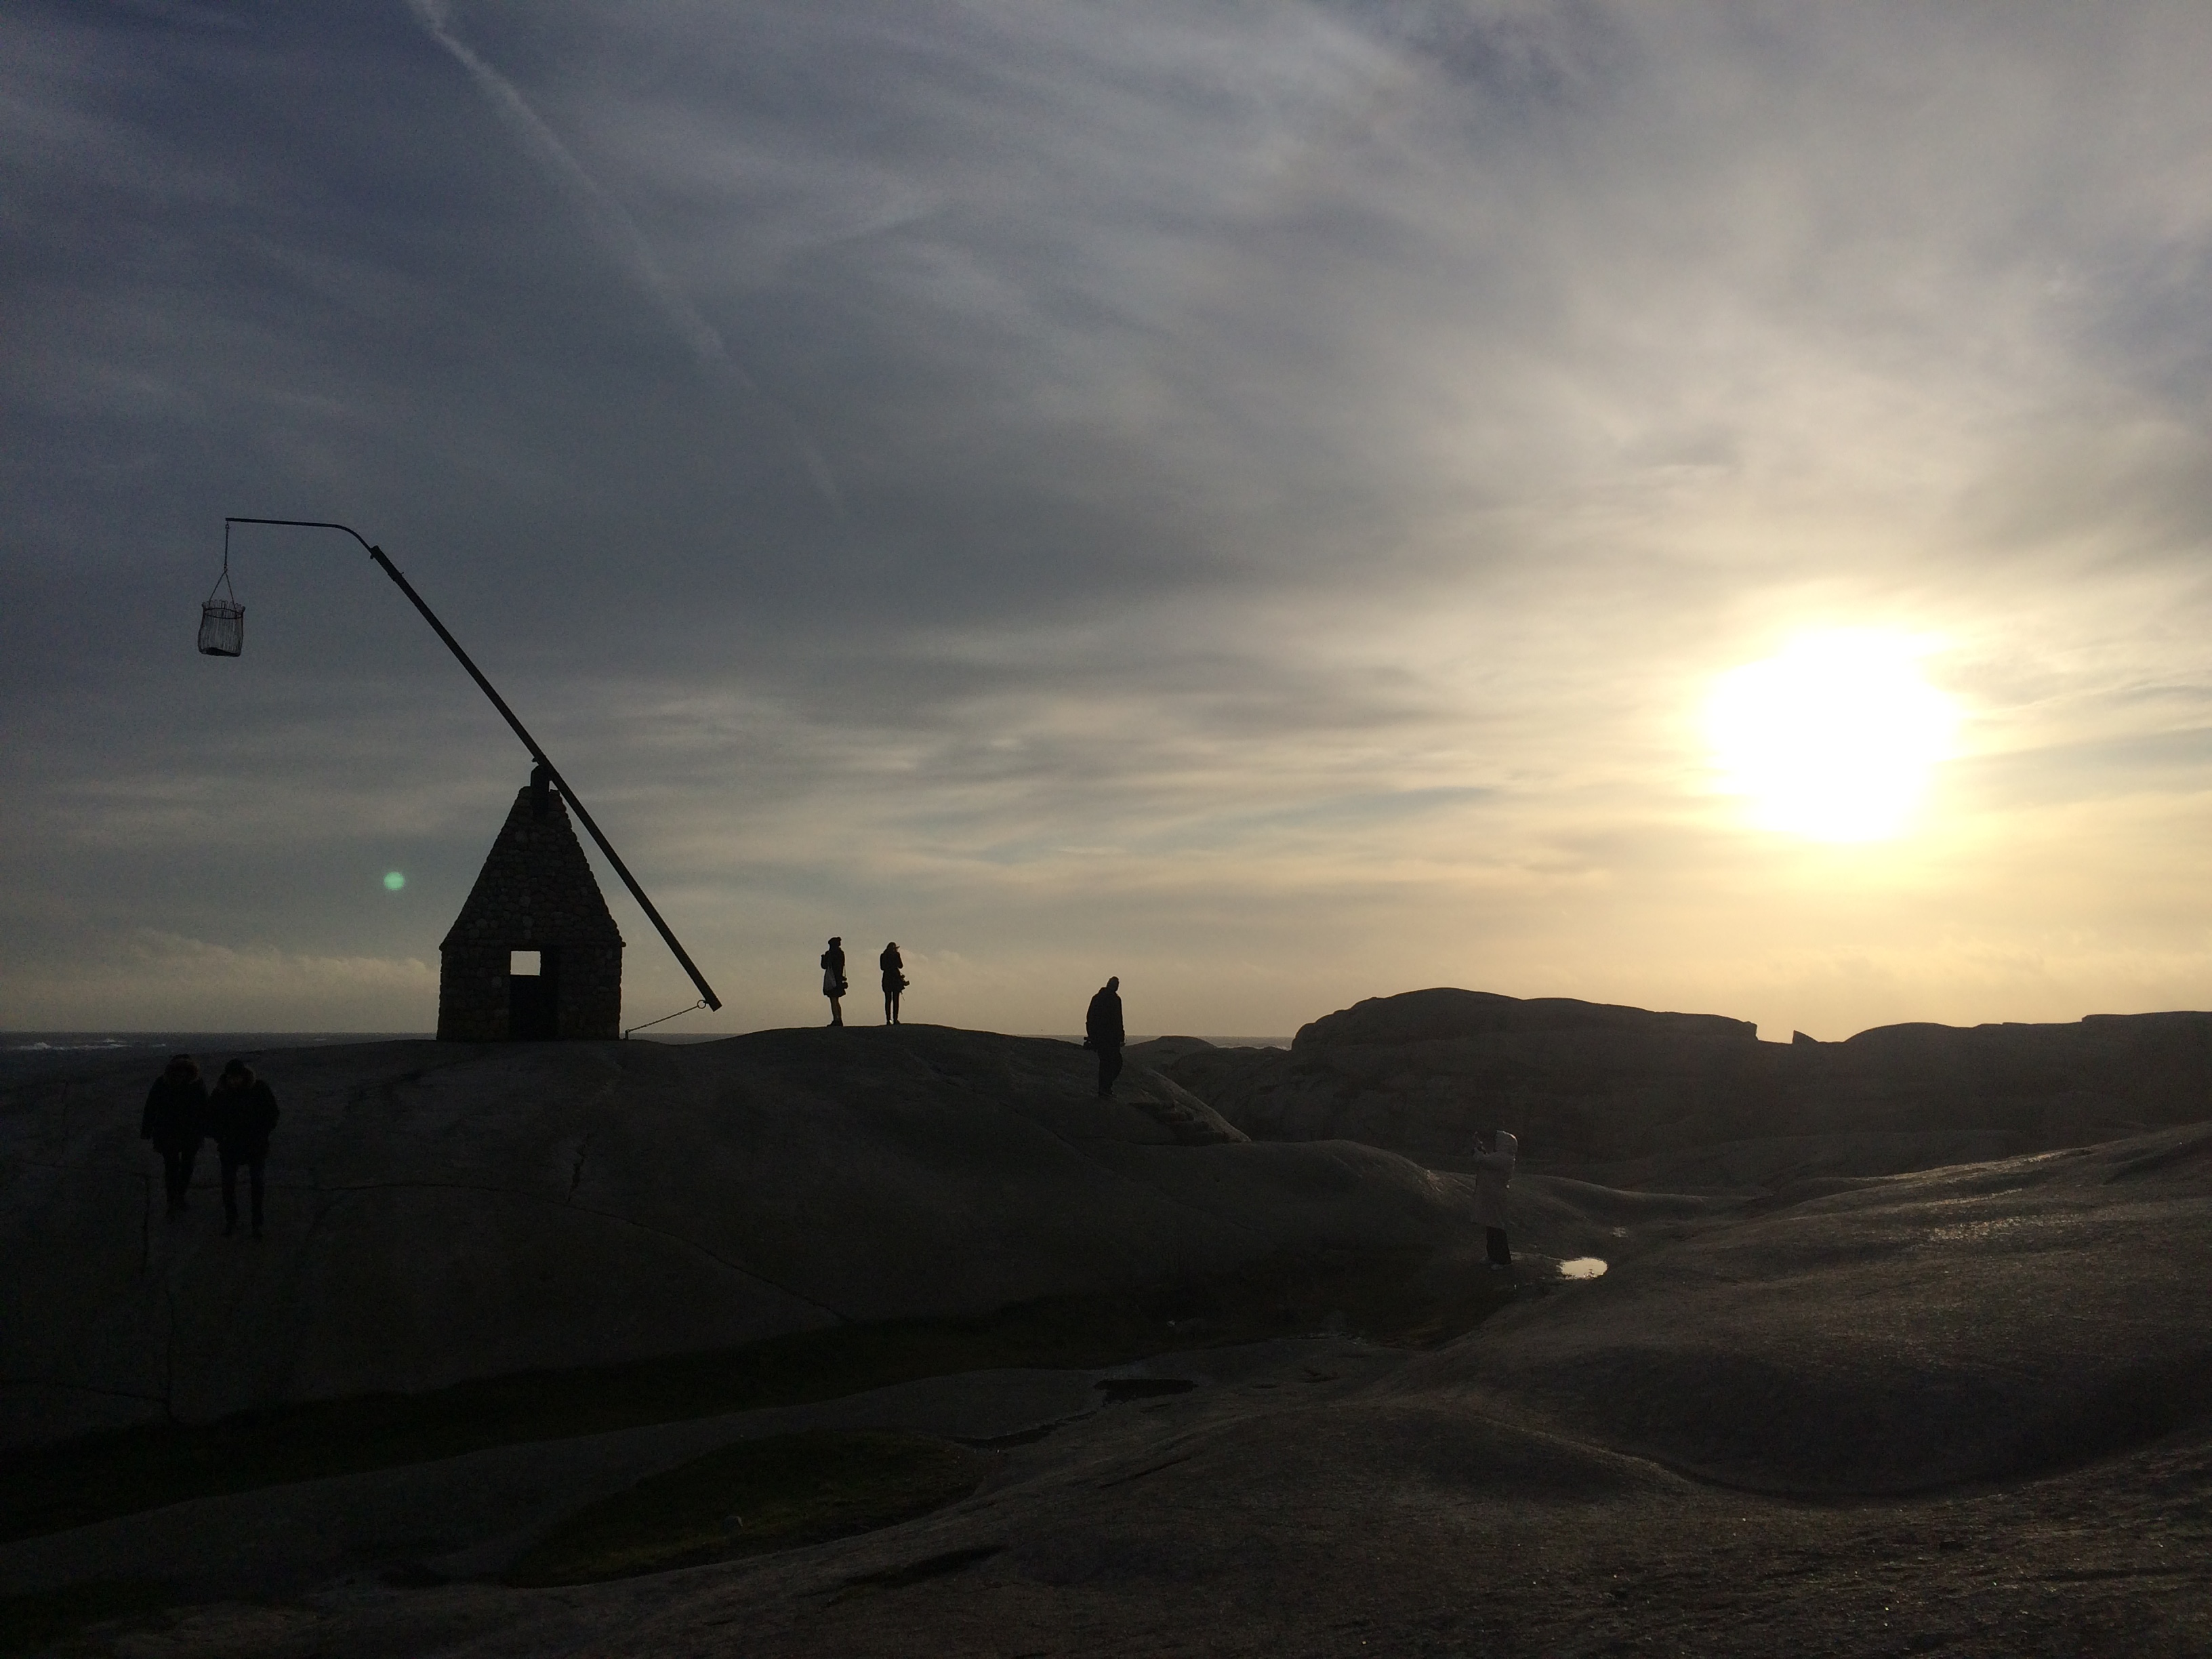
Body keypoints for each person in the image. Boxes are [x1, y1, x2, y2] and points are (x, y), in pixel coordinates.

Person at [206, 1059, 280, 1239]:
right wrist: (219, 1136)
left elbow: (272, 1113)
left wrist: (262, 1133)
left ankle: (257, 1224)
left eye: (237, 1077)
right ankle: (231, 1221)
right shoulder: (221, 1092)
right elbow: (209, 1116)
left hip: (256, 1146)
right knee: (228, 1186)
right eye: (231, 1078)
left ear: (243, 1075)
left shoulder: (259, 1089)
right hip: (230, 1147)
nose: (234, 1081)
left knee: (257, 1184)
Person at [141, 1054, 207, 1216]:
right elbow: (206, 1108)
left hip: (175, 1132)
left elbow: (151, 1107)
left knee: (175, 1167)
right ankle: (176, 1198)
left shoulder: (165, 1082)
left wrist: (147, 1129)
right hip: (181, 1132)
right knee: (182, 1166)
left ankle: (174, 1199)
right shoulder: (194, 1082)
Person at [1471, 1127, 1518, 1269]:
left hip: (1495, 1195)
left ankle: (1502, 1259)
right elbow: (1487, 1159)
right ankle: (1493, 1255)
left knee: (1496, 1227)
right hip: (1492, 1194)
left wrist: (1475, 1149)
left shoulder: (1504, 1158)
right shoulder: (1501, 1156)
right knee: (1491, 1225)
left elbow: (1483, 1160)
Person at [1083, 976, 1125, 1098]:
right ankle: (1105, 1088)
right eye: (1115, 984)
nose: (1117, 986)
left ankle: (1106, 1087)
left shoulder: (1101, 998)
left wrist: (1120, 1036)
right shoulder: (1107, 999)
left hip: (1107, 1038)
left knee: (1111, 1063)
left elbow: (1118, 1019)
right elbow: (1117, 1019)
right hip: (1106, 1038)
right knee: (1111, 1063)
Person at [820, 937, 848, 1027]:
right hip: (839, 978)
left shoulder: (830, 954)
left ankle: (836, 1019)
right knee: (837, 1000)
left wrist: (823, 958)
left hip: (832, 979)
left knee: (833, 999)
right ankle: (839, 1018)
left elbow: (824, 966)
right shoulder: (841, 953)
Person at [880, 941, 906, 1025]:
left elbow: (882, 968)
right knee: (896, 1000)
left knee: (888, 1000)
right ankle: (895, 1019)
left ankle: (888, 1020)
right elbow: (901, 966)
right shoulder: (896, 955)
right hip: (895, 978)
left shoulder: (883, 955)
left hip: (887, 978)